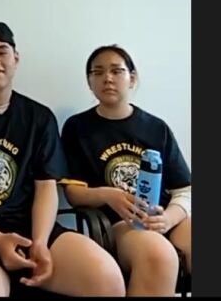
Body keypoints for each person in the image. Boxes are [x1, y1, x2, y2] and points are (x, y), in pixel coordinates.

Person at [0, 22, 125, 297]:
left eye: (2, 51)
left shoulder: (39, 117)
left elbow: (46, 187)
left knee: (106, 281)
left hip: (33, 229)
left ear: (16, 59)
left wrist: (40, 243)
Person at [60, 44, 192, 296]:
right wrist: (108, 195)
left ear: (132, 78)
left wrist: (169, 218)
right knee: (158, 255)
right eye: (97, 72)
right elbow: (74, 194)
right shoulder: (77, 128)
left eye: (116, 71)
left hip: (164, 216)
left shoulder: (156, 127)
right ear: (89, 82)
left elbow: (184, 188)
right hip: (120, 224)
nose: (107, 78)